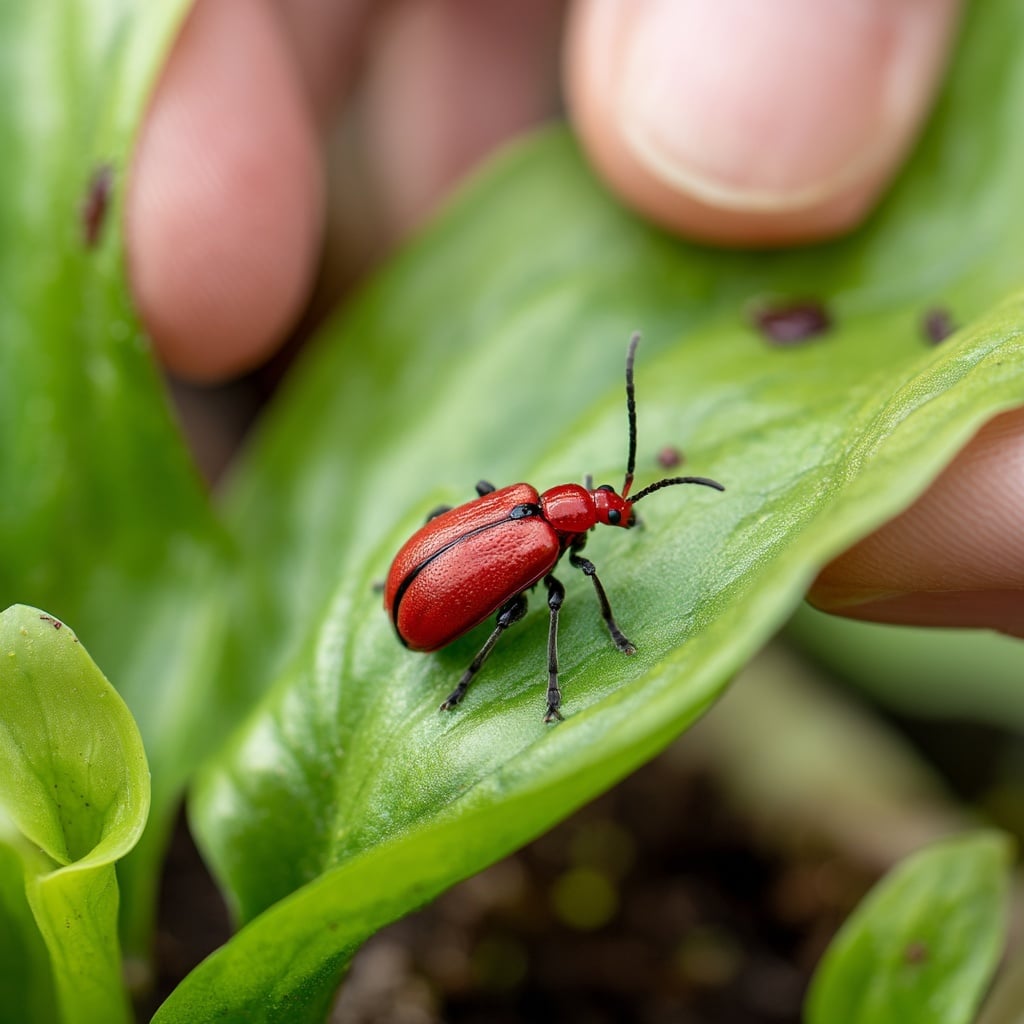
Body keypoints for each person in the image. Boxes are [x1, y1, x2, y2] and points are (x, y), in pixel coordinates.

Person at [128, 0, 1024, 637]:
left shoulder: (521, 504)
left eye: (606, 506)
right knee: (544, 609)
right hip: (430, 601)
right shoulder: (543, 532)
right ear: (580, 514)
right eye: (606, 504)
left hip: (422, 579)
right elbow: (544, 585)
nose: (609, 511)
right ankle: (503, 672)